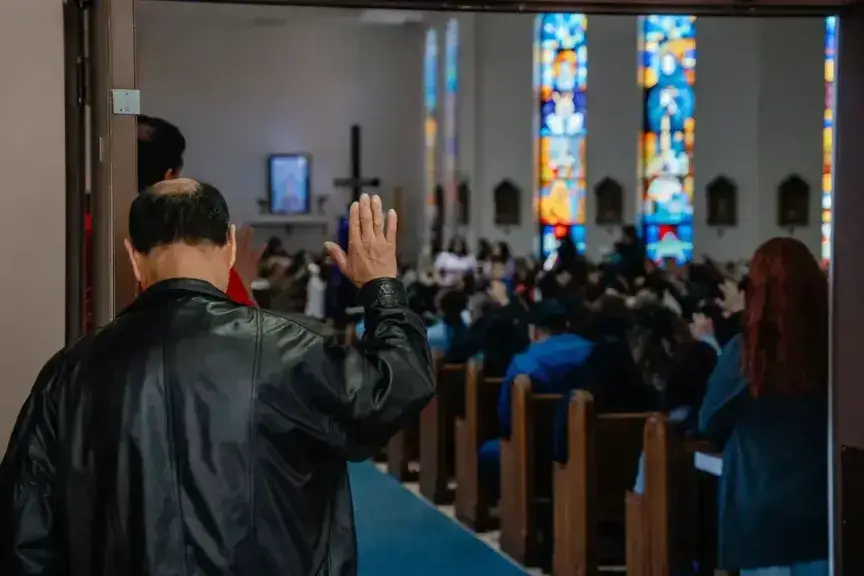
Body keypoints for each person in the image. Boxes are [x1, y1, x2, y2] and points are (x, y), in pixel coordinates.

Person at [0, 185, 435, 575]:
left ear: (133, 255)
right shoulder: (293, 349)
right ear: (230, 246)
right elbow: (399, 385)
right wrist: (382, 287)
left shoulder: (70, 373)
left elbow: (26, 534)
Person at [699, 237, 828, 576]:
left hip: (759, 510)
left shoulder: (745, 353)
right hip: (822, 506)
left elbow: (709, 422)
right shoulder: (837, 348)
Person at [138, 114, 259, 306]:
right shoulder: (190, 252)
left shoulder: (78, 232)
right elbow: (245, 331)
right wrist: (243, 281)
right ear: (170, 177)